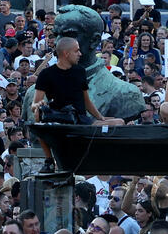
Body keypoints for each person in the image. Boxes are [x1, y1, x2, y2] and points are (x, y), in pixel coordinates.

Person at [30, 36, 124, 172]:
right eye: (76, 51)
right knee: (37, 116)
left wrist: (100, 117)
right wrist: (38, 105)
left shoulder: (79, 71)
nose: (80, 54)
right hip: (58, 117)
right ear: (66, 53)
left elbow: (86, 100)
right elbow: (34, 104)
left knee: (119, 122)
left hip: (80, 118)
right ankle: (49, 160)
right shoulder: (46, 74)